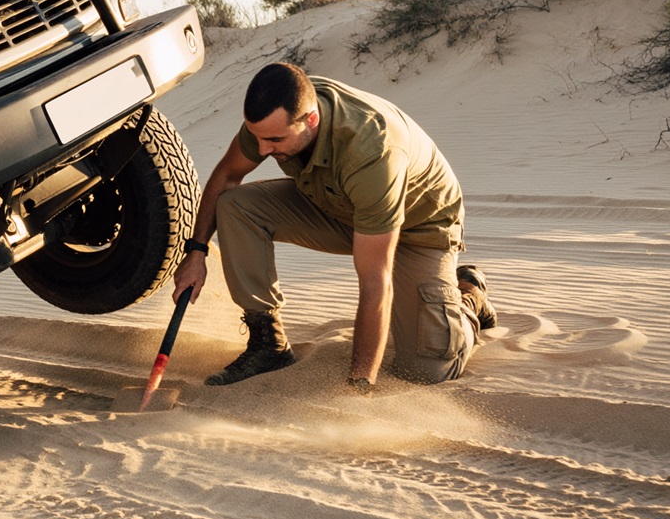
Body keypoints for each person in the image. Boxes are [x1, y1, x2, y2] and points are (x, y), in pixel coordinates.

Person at [172, 62, 495, 391]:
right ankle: (268, 346)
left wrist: (359, 383)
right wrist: (196, 253)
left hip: (418, 226)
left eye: (274, 140)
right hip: (340, 205)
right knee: (236, 206)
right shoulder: (279, 113)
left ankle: (467, 296)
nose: (264, 149)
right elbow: (227, 176)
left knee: (426, 368)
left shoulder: (372, 154)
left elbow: (374, 282)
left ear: (311, 120)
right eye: (257, 137)